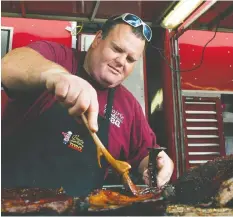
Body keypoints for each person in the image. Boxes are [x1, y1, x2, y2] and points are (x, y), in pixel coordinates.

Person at [1, 13, 174, 196]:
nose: (121, 62)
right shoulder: (58, 58)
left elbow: (144, 156)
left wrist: (158, 164)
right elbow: (10, 65)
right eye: (116, 49)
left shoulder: (129, 107)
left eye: (131, 59)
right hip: (12, 205)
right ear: (98, 39)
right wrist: (56, 76)